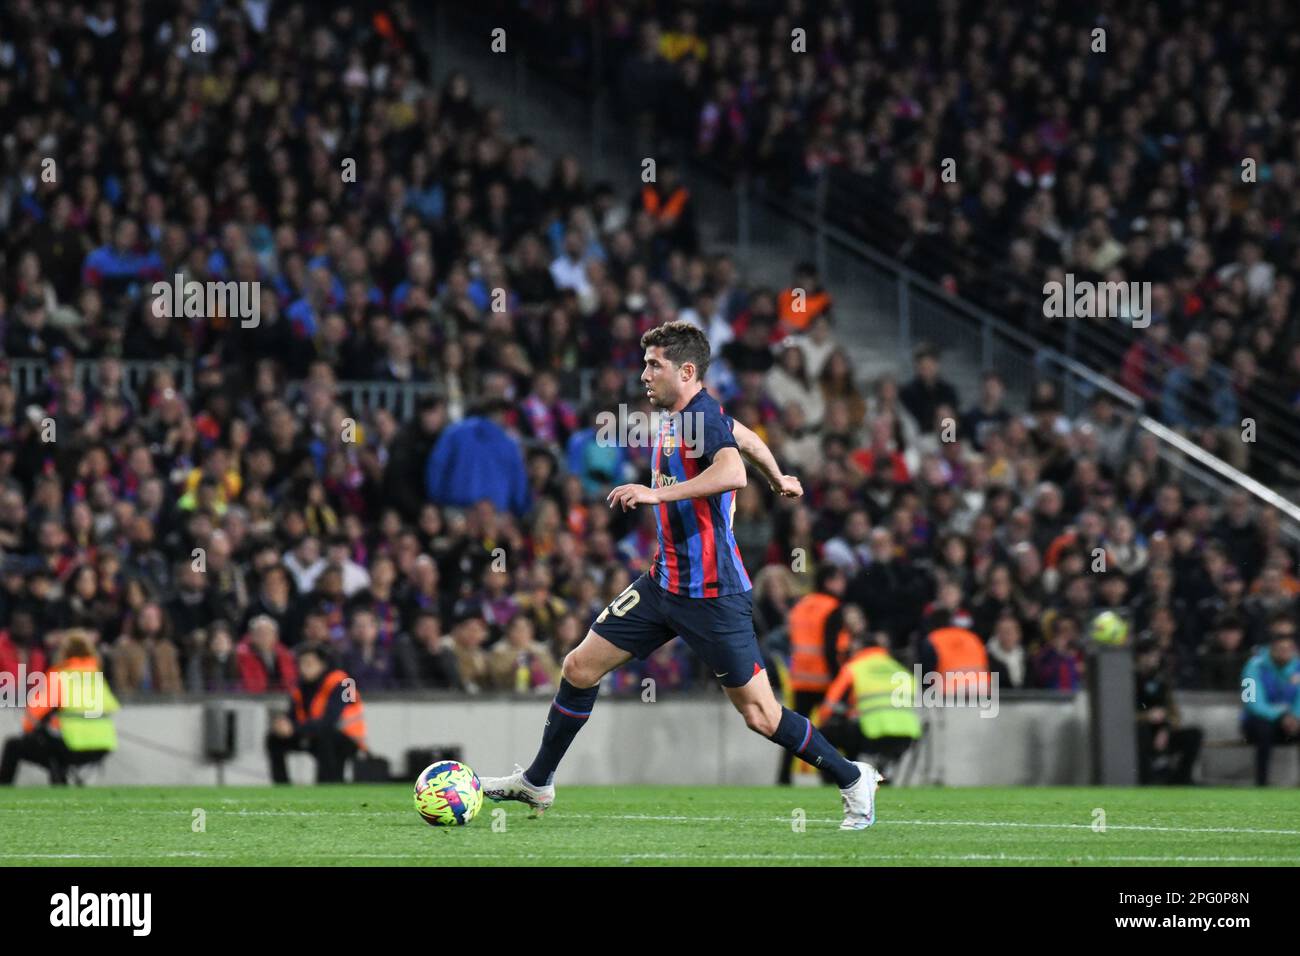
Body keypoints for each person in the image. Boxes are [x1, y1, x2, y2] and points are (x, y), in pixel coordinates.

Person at [481, 321, 883, 829]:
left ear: (686, 371)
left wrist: (656, 493)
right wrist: (778, 475)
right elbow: (748, 439)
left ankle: (852, 778)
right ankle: (538, 783)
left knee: (760, 715)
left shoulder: (700, 415)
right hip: (662, 585)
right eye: (645, 363)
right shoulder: (687, 416)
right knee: (579, 667)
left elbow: (731, 469)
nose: (644, 373)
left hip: (714, 594)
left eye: (655, 365)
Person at [1, 631, 120, 785]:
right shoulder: (97, 677)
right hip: (102, 745)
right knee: (54, 747)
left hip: (72, 744)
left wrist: (28, 728)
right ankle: (61, 778)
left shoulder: (59, 675)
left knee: (14, 746)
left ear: (63, 653)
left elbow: (34, 714)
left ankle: (3, 790)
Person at [816, 627, 921, 782]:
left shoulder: (854, 668)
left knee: (825, 733)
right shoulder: (900, 670)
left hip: (871, 732)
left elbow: (829, 706)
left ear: (859, 648)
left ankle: (839, 779)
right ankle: (880, 773)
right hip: (906, 733)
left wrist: (822, 724)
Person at [266, 642, 367, 784]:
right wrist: (284, 725)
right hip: (314, 734)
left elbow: (330, 720)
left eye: (309, 664)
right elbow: (294, 714)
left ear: (322, 665)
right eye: (301, 664)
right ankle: (282, 786)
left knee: (326, 738)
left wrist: (294, 728)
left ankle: (328, 786)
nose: (303, 669)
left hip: (347, 738)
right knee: (274, 738)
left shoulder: (343, 682)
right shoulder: (301, 687)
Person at [1240, 615, 1300, 786]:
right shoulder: (1253, 666)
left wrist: (1295, 716)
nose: (1284, 651)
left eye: (1288, 648)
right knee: (1263, 728)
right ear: (1271, 646)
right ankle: (1262, 783)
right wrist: (1282, 715)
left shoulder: (1298, 666)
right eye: (1280, 647)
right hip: (1257, 724)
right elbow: (1251, 701)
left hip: (1291, 723)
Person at [1134, 638, 1203, 785]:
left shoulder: (1162, 681)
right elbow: (1122, 715)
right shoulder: (1129, 681)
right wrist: (1146, 717)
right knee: (1142, 732)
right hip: (1138, 735)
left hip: (1162, 733)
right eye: (1150, 654)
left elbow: (1174, 713)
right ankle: (1145, 781)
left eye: (1155, 655)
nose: (1154, 659)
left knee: (1194, 735)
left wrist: (1166, 728)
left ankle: (1181, 780)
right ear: (1140, 657)